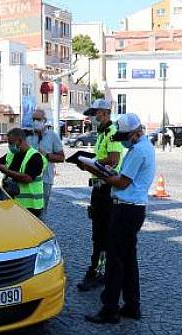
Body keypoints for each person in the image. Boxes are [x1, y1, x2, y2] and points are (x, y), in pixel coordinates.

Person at [82, 113, 156, 324]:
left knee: (115, 260)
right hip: (133, 209)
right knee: (128, 259)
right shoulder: (144, 147)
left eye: (124, 135)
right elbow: (124, 178)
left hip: (125, 209)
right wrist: (107, 171)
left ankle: (110, 309)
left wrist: (95, 170)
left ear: (135, 133)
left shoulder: (138, 151)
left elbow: (122, 183)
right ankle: (132, 305)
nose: (122, 139)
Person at [77, 99, 126, 292]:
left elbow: (113, 160)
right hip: (99, 188)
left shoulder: (112, 133)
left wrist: (91, 163)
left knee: (103, 234)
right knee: (98, 233)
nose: (93, 117)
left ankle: (99, 272)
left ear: (104, 113)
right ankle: (100, 270)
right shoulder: (102, 133)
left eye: (95, 113)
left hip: (107, 189)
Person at [0, 128, 46, 218]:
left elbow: (27, 178)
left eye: (10, 143)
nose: (9, 146)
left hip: (31, 208)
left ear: (20, 141)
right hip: (13, 204)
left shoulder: (35, 157)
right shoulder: (11, 155)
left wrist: (6, 171)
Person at [26, 109, 65, 217]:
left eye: (38, 119)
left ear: (44, 121)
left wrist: (47, 155)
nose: (35, 122)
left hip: (45, 179)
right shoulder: (27, 135)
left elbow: (61, 157)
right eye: (33, 119)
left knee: (41, 211)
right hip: (28, 178)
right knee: (28, 211)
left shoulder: (52, 136)